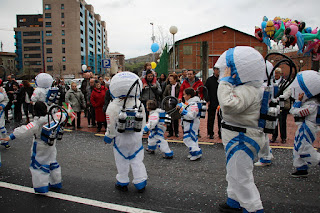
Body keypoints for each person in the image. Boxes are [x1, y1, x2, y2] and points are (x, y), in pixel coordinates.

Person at [216, 46, 266, 213]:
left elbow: (228, 105)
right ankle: (234, 200)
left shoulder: (248, 89)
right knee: (234, 172)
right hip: (239, 134)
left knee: (241, 176)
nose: (225, 71)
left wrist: (225, 82)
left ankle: (253, 208)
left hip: (241, 136)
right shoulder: (251, 87)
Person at [0, 101, 67, 194]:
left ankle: (41, 186)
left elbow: (24, 130)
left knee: (38, 165)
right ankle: (56, 182)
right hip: (51, 144)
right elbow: (63, 115)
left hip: (39, 145)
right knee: (52, 162)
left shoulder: (37, 123)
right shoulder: (53, 117)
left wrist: (10, 137)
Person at [104, 71, 147, 193]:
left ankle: (122, 181)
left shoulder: (113, 106)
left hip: (120, 138)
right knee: (137, 159)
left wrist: (109, 136)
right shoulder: (138, 104)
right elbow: (143, 121)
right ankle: (140, 181)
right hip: (135, 138)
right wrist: (141, 132)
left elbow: (110, 124)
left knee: (121, 160)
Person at [289, 70, 320, 178]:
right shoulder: (312, 103)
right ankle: (301, 168)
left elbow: (295, 111)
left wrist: (297, 102)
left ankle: (317, 160)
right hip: (306, 126)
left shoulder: (312, 105)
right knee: (298, 147)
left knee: (303, 148)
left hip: (308, 127)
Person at [177, 88, 202, 161]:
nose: (183, 96)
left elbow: (192, 115)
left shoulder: (193, 104)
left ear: (189, 95)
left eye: (184, 94)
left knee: (188, 138)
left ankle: (196, 152)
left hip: (191, 124)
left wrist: (184, 112)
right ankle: (195, 152)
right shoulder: (190, 103)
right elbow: (185, 106)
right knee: (193, 138)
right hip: (188, 123)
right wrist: (180, 105)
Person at [271, 68, 291, 144]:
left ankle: (283, 137)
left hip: (282, 104)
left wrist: (280, 97)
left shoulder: (285, 82)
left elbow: (288, 92)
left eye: (278, 73)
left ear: (280, 74)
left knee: (282, 121)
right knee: (274, 121)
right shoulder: (272, 82)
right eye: (275, 73)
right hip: (274, 104)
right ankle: (274, 136)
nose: (276, 75)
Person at [205, 67, 221, 139]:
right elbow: (205, 90)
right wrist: (207, 99)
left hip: (220, 101)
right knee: (211, 118)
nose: (218, 71)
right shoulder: (210, 80)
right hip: (212, 101)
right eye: (217, 70)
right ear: (214, 70)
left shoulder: (222, 80)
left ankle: (220, 133)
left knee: (221, 118)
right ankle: (210, 133)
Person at [0, 81, 10, 149]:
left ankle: (5, 141)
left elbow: (6, 99)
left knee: (1, 127)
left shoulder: (2, 89)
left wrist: (2, 106)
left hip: (0, 112)